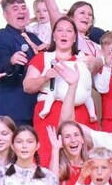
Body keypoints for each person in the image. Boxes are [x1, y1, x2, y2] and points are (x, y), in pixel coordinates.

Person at [26, 16, 100, 164]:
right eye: (59, 30)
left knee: (85, 159)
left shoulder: (84, 58)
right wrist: (45, 77)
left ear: (75, 37)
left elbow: (100, 69)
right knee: (49, 157)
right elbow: (27, 86)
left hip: (79, 112)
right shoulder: (43, 57)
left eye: (69, 31)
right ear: (53, 35)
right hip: (49, 113)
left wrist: (95, 61)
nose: (64, 34)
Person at [0, 0, 42, 126]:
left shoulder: (34, 38)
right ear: (5, 15)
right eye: (15, 8)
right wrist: (11, 61)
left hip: (37, 110)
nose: (21, 11)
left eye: (24, 8)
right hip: (13, 111)